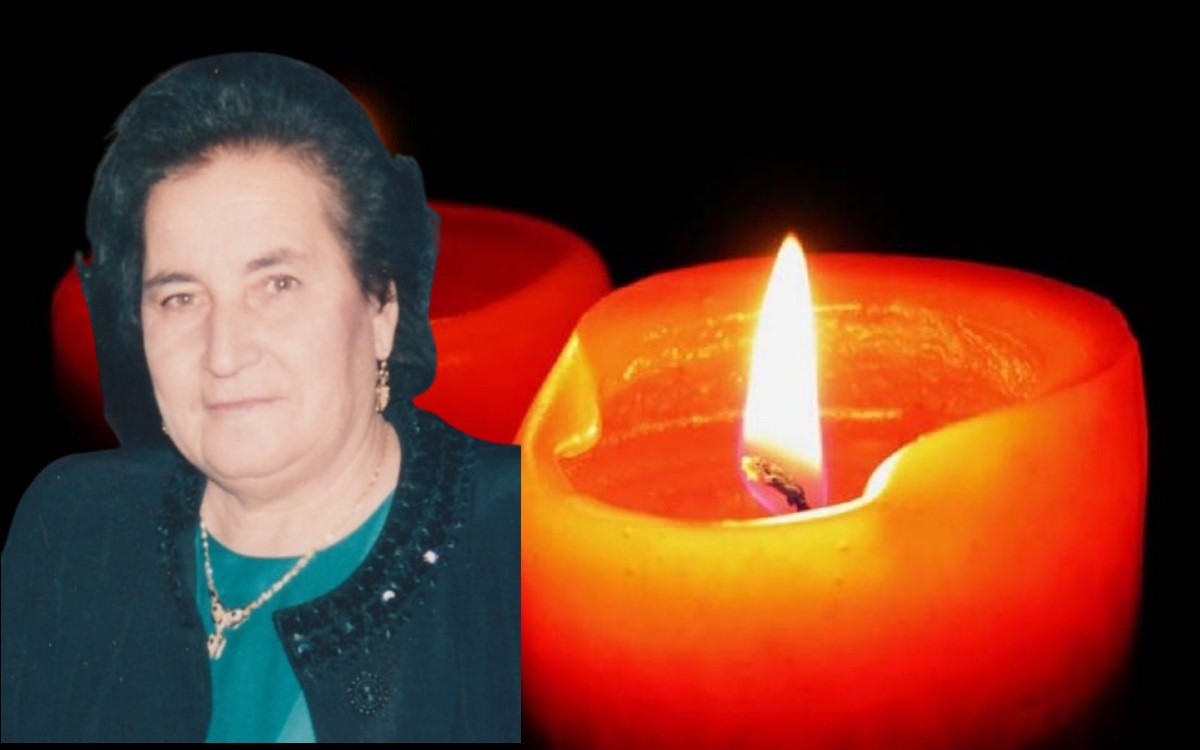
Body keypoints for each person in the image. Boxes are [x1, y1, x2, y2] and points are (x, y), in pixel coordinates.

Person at [1, 53, 520, 743]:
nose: (224, 354)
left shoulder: (520, 540)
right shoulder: (73, 526)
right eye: (180, 298)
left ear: (382, 307)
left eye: (276, 285)